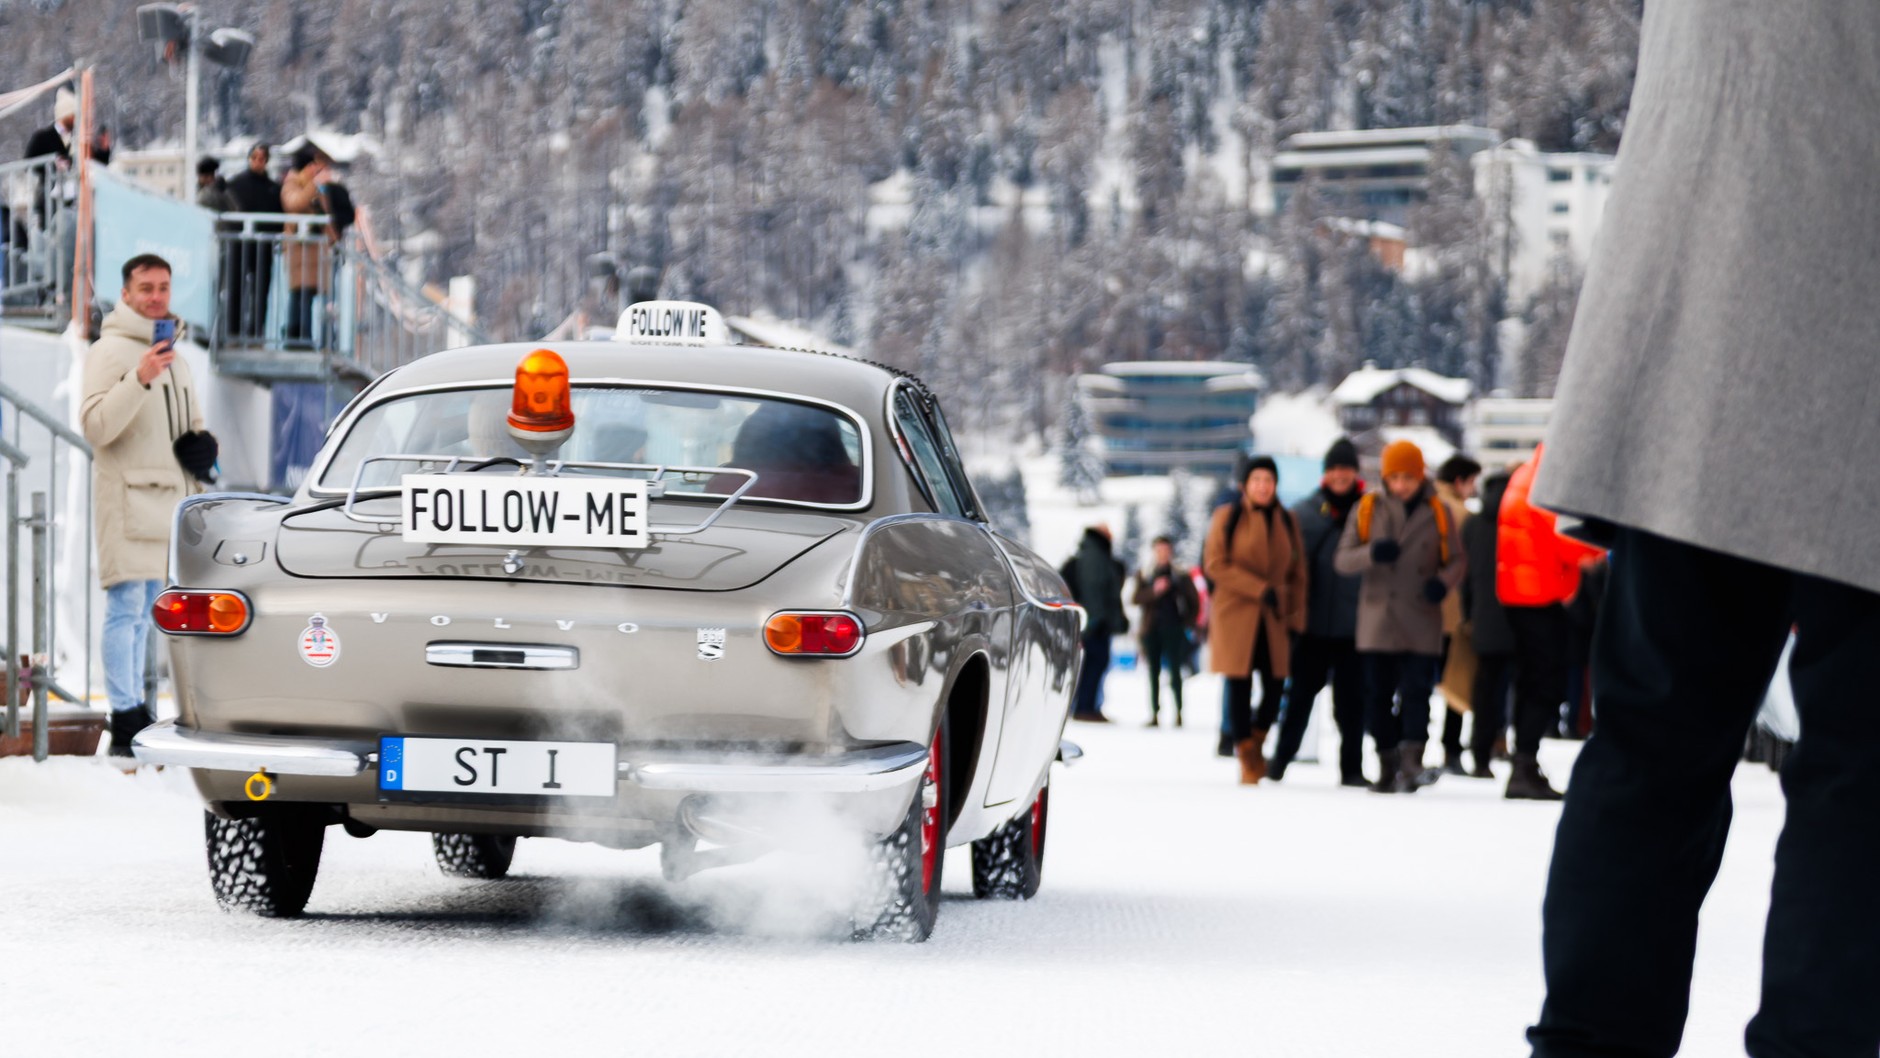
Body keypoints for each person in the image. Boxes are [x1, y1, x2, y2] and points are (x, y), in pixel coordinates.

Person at [80, 255, 215, 757]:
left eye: (163, 287)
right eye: (146, 288)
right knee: (126, 607)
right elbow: (95, 426)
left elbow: (191, 424)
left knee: (152, 613)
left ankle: (142, 707)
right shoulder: (111, 350)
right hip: (127, 498)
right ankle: (125, 713)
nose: (156, 296)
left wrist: (206, 447)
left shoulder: (173, 355)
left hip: (170, 503)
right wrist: (136, 378)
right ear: (128, 293)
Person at [1334, 439, 1465, 794]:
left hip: (1421, 614)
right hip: (1379, 617)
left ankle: (1412, 761)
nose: (1402, 484)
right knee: (1376, 694)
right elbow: (1342, 560)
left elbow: (1456, 559)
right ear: (1385, 477)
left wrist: (1443, 583)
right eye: (1395, 477)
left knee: (1417, 693)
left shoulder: (1438, 510)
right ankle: (1387, 762)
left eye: (1409, 477)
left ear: (1420, 476)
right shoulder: (1368, 508)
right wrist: (1372, 552)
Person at [1496, 446, 1602, 802]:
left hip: (1521, 591)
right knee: (1545, 680)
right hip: (1539, 593)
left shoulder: (1526, 474)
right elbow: (1565, 536)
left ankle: (1524, 763)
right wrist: (1598, 552)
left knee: (1531, 679)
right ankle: (1524, 764)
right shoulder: (1546, 480)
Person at [1269, 437, 1368, 786]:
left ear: (1355, 472)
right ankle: (1278, 763)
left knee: (1352, 706)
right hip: (1311, 627)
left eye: (1346, 468)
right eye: (1335, 469)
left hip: (1355, 627)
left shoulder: (1370, 510)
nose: (1340, 475)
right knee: (1298, 701)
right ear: (1325, 474)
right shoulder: (1304, 512)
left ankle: (1352, 770)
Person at [1203, 456, 1307, 784]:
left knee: (1276, 687)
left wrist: (1295, 617)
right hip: (1236, 613)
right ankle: (1247, 755)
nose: (1263, 486)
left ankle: (1257, 742)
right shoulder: (1227, 516)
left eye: (1269, 480)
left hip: (1274, 618)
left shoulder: (1287, 520)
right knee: (1239, 684)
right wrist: (1259, 589)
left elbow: (1298, 573)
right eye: (1257, 480)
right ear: (1245, 485)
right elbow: (1215, 564)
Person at [1460, 469, 1515, 779]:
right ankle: (1515, 751)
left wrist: (1470, 614)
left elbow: (1465, 580)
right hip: (1520, 616)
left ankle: (1480, 754)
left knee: (1485, 689)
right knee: (1519, 688)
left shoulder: (1473, 524)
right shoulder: (1518, 520)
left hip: (1483, 618)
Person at [1433, 454, 1482, 775]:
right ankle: (1450, 749)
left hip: (1421, 610)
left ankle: (1410, 748)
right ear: (1460, 481)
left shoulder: (1427, 503)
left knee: (1420, 682)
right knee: (1455, 680)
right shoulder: (1460, 513)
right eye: (1472, 483)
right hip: (1450, 610)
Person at [1131, 535, 1199, 728]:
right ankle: (1155, 712)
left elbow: (1193, 601)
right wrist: (1154, 591)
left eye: (1166, 549)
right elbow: (1135, 598)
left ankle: (1178, 712)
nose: (1163, 553)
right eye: (1159, 550)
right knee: (1153, 672)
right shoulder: (1145, 574)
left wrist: (1187, 623)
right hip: (1151, 629)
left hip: (1173, 627)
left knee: (1176, 671)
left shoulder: (1180, 575)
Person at [1061, 524, 1126, 723]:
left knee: (1088, 665)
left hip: (1085, 622)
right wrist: (1097, 620)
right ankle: (1086, 707)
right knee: (1095, 664)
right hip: (1094, 624)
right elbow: (1095, 590)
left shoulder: (1087, 553)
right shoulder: (1096, 557)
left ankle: (1085, 706)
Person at [225, 143, 282, 341]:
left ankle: (256, 333)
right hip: (239, 245)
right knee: (236, 288)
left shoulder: (273, 188)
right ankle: (233, 332)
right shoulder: (235, 184)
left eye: (262, 158)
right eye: (254, 157)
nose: (258, 162)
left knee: (260, 292)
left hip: (263, 247)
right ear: (249, 159)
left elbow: (278, 218)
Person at [280, 146, 333, 348]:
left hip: (313, 251)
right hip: (298, 250)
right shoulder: (292, 183)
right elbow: (294, 203)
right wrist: (314, 186)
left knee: (308, 293)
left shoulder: (315, 186)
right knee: (298, 292)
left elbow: (325, 214)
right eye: (312, 165)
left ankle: (306, 336)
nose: (315, 169)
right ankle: (295, 336)